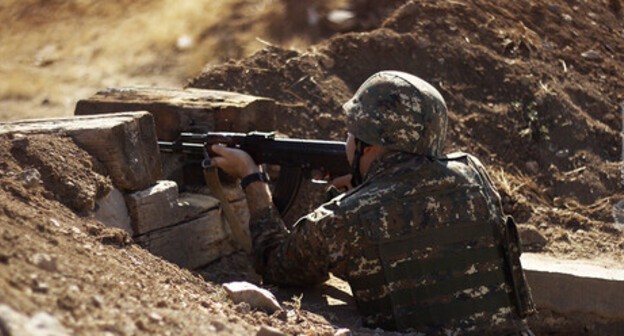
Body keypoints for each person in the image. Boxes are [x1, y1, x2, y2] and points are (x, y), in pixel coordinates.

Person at [211, 71, 535, 335]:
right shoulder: (475, 174)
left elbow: (274, 262)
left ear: (367, 144)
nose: (346, 142)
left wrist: (251, 177)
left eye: (350, 133)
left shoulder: (346, 218)